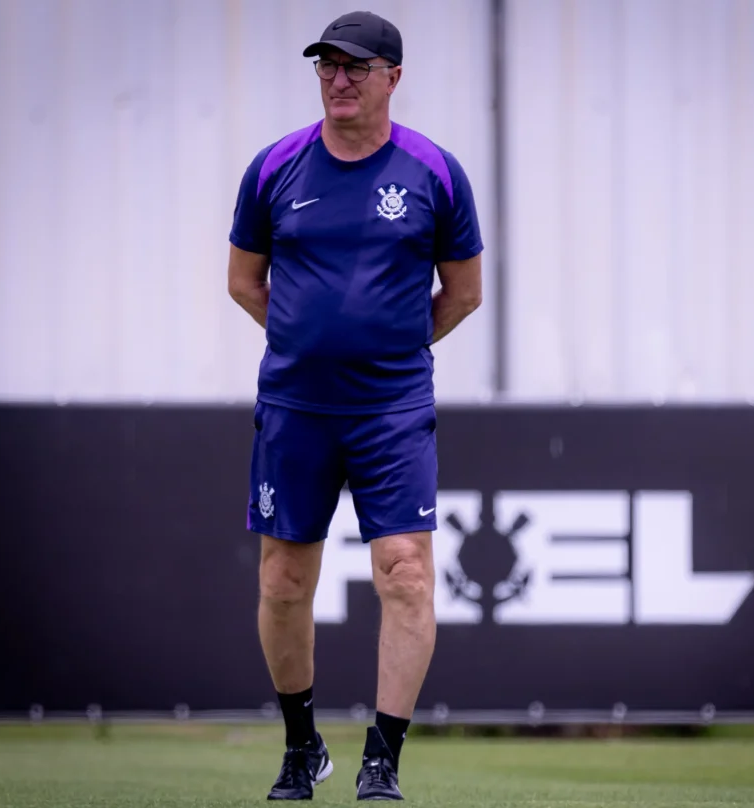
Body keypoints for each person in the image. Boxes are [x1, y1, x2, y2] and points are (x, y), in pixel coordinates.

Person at [226, 9, 484, 803]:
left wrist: (391, 350)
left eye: (355, 68)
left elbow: (464, 293)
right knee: (281, 582)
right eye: (327, 66)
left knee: (405, 572)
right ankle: (302, 747)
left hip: (392, 410)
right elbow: (244, 281)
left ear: (392, 79)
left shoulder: (434, 171)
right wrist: (309, 342)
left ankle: (384, 757)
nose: (338, 79)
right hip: (296, 407)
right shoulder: (275, 167)